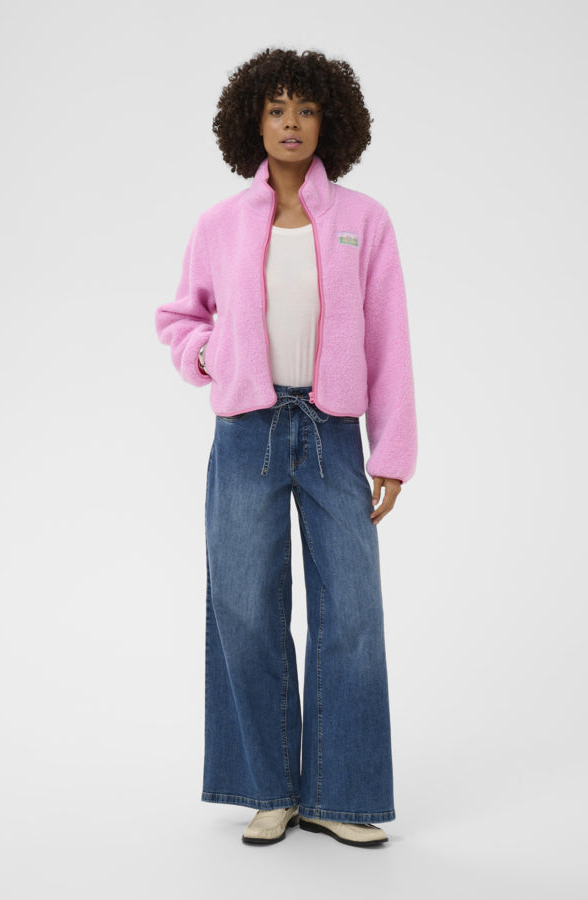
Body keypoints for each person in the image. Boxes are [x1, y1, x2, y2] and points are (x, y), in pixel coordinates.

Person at [155, 47, 418, 848]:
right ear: (254, 122)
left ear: (330, 120)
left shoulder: (366, 221)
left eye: (305, 108)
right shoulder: (220, 224)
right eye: (276, 109)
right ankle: (266, 788)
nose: (292, 123)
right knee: (244, 608)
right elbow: (180, 319)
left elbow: (389, 340)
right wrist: (210, 356)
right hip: (246, 433)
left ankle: (339, 795)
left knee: (352, 613)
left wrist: (392, 452)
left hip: (334, 434)